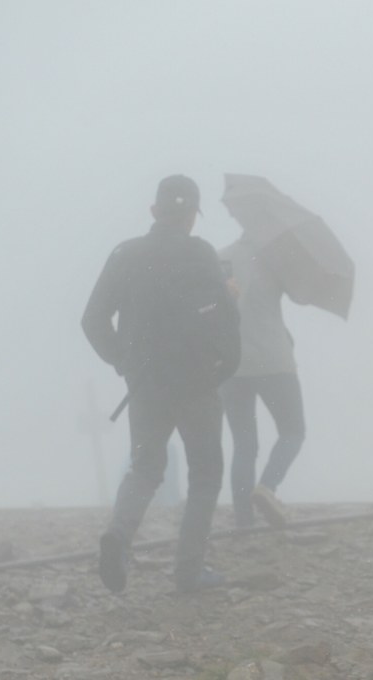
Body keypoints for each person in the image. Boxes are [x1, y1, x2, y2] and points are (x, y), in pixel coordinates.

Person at [82, 174, 240, 594]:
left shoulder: (125, 254)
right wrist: (223, 368)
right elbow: (226, 320)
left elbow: (92, 319)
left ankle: (118, 535)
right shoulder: (201, 252)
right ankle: (188, 573)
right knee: (205, 474)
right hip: (197, 382)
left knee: (146, 468)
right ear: (192, 215)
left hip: (146, 384)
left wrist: (124, 363)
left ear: (154, 211)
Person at [218, 233, 306, 530]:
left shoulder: (221, 257)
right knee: (293, 431)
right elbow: (296, 294)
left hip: (232, 362)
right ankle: (267, 487)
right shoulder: (276, 257)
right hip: (274, 359)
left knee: (244, 445)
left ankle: (244, 520)